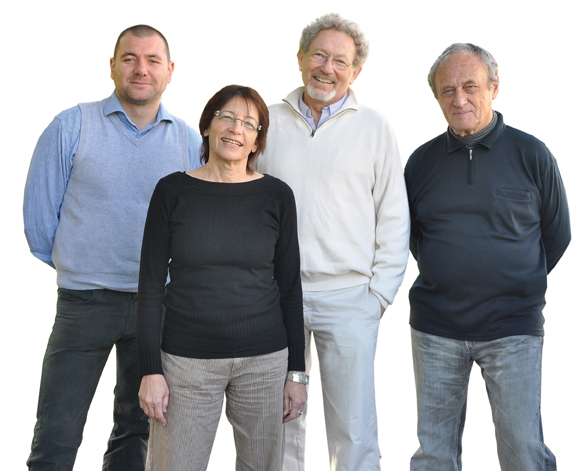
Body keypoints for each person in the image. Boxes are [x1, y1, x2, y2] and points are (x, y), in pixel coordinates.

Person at [23, 25, 202, 471]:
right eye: (129, 58)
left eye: (152, 60)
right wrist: (81, 266)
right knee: (57, 432)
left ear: (170, 71)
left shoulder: (188, 141)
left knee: (135, 432)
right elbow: (39, 220)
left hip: (157, 307)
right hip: (85, 303)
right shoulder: (72, 125)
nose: (140, 69)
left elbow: (196, 226)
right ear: (112, 66)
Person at [404, 43, 571, 470]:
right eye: (448, 90)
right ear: (436, 97)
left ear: (494, 88)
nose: (459, 99)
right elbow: (414, 237)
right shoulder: (420, 164)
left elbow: (557, 234)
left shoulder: (532, 155)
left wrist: (514, 281)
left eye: (470, 86)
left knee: (523, 451)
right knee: (434, 456)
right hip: (436, 329)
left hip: (513, 329)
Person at [256, 13, 410, 471]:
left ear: (356, 71)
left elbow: (394, 214)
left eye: (340, 61)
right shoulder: (267, 120)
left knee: (354, 425)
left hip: (349, 297)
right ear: (301, 58)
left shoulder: (375, 127)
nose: (327, 67)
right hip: (277, 295)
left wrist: (380, 293)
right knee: (280, 418)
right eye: (319, 55)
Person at [136, 84, 307, 471]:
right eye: (227, 117)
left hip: (264, 363)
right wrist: (150, 370)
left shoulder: (277, 196)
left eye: (250, 123)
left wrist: (297, 373)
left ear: (257, 140)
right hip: (186, 363)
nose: (236, 128)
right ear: (208, 125)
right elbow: (148, 288)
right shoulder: (172, 191)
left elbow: (290, 288)